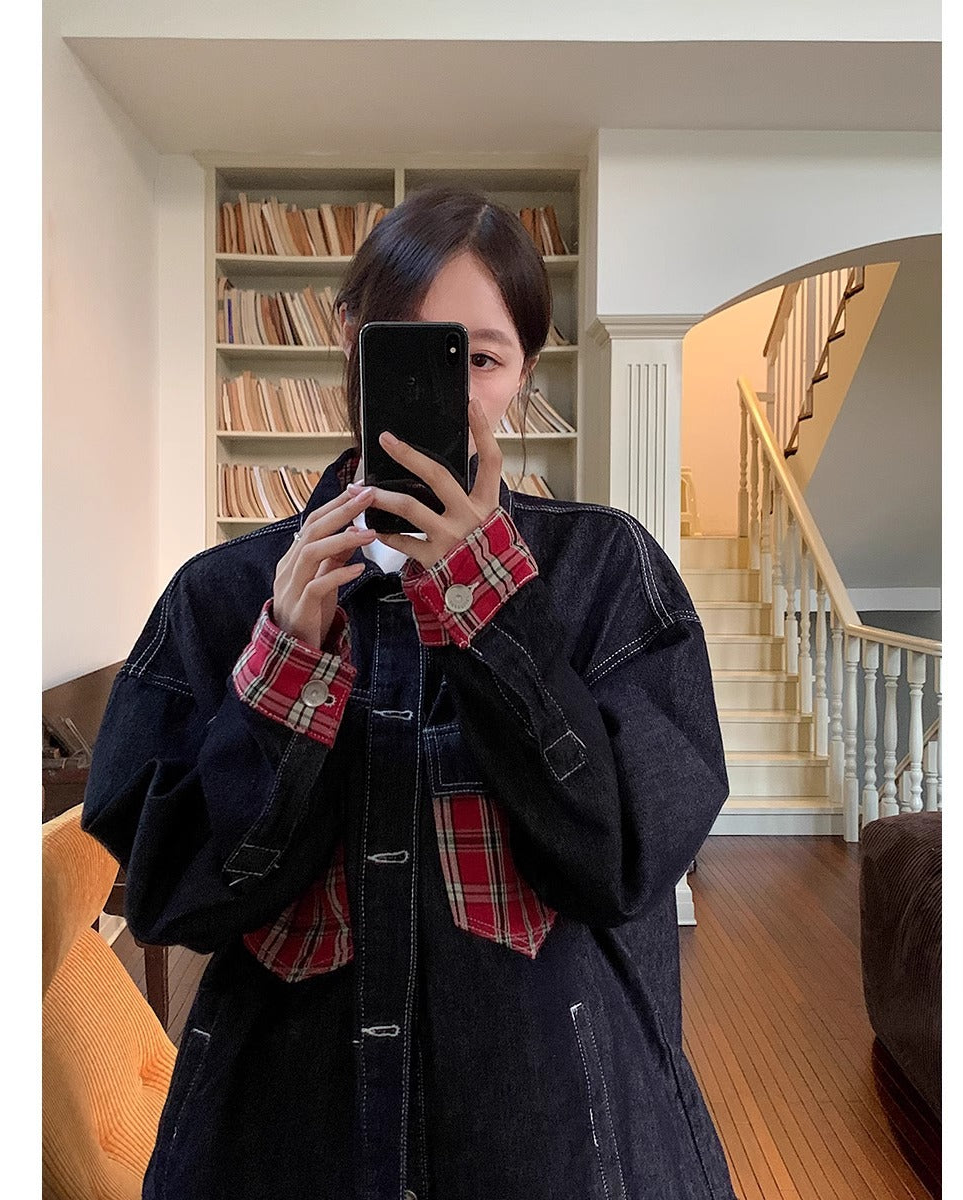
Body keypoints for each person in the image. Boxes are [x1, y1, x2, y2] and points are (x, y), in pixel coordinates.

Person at [81, 186, 737, 1200]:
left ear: (524, 373)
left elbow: (622, 863)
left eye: (483, 358)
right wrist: (286, 660)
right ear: (352, 345)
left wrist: (492, 608)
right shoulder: (222, 597)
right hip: (287, 1144)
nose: (453, 390)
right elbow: (173, 898)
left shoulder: (608, 574)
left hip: (555, 1142)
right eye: (414, 350)